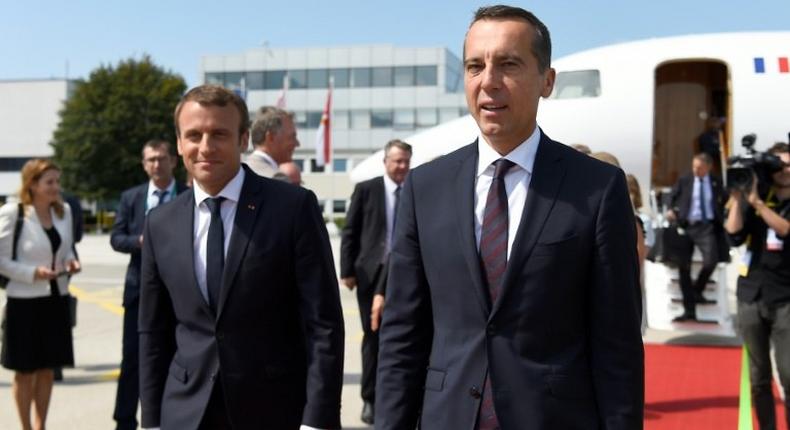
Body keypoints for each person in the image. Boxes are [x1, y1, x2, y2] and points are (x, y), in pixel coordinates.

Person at [375, 5, 643, 429]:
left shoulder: (596, 188)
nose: (488, 82)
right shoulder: (426, 187)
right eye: (475, 66)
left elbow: (618, 343)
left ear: (547, 81)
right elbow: (402, 337)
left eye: (508, 64)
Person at [138, 85, 344, 430]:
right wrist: (152, 421)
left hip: (275, 410)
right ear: (178, 143)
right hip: (186, 414)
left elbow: (323, 323)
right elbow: (152, 331)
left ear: (244, 138)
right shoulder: (160, 223)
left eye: (219, 134)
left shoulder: (292, 209)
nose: (205, 147)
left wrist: (317, 420)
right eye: (194, 135)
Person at [110, 139, 187, 430]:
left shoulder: (187, 194)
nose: (157, 164)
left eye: (162, 159)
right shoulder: (132, 197)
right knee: (133, 359)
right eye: (151, 160)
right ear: (144, 164)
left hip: (179, 294)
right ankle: (125, 420)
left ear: (173, 161)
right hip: (139, 292)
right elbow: (116, 238)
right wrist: (141, 241)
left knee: (177, 358)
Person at [0, 159, 80, 430]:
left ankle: (40, 426)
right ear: (32, 184)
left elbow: (65, 248)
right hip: (24, 302)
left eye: (58, 181)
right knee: (25, 371)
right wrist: (33, 273)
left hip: (56, 298)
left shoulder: (64, 211)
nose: (56, 187)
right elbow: (0, 261)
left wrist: (71, 262)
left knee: (48, 369)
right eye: (50, 182)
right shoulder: (14, 212)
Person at [339, 139, 412, 425]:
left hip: (405, 272)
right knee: (372, 336)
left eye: (406, 161)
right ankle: (370, 398)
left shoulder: (414, 190)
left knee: (401, 334)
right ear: (386, 162)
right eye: (397, 161)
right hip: (371, 273)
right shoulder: (367, 190)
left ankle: (398, 396)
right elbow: (350, 231)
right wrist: (347, 270)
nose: (402, 166)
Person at [725, 142, 790, 430]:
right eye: (780, 166)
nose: (785, 171)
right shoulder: (757, 196)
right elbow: (733, 232)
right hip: (751, 295)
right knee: (758, 377)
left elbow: (786, 229)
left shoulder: (768, 203)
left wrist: (759, 205)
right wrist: (740, 197)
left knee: (789, 375)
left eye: (789, 165)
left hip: (786, 298)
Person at [667, 152, 727, 321]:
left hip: (706, 227)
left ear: (708, 167)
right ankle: (689, 310)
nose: (695, 170)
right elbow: (671, 196)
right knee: (683, 267)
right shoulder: (685, 180)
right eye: (694, 166)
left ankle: (697, 290)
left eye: (699, 167)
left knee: (711, 261)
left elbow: (726, 199)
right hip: (685, 226)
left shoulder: (716, 182)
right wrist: (671, 209)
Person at [244, 106, 299, 181]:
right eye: (292, 137)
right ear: (271, 137)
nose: (297, 143)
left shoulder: (237, 172)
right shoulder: (277, 179)